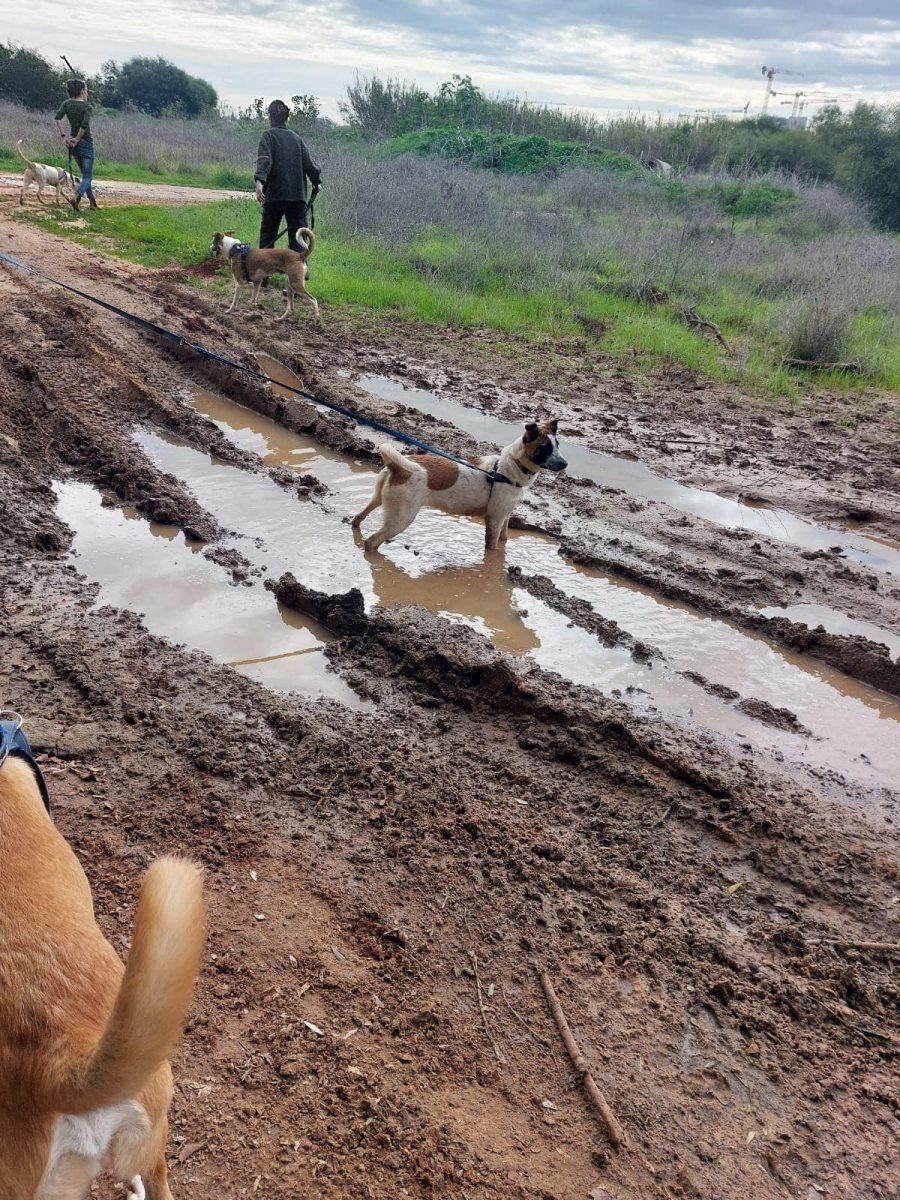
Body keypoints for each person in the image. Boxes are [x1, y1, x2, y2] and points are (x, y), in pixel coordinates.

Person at [254, 100, 321, 255]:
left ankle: (263, 276)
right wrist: (316, 181)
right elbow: (310, 165)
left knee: (267, 237)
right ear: (286, 118)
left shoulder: (268, 136)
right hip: (297, 198)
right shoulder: (297, 139)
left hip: (274, 197)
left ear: (270, 117)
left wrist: (259, 183)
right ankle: (299, 275)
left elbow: (264, 161)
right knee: (298, 240)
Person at [54, 78, 99, 211]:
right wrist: (78, 138)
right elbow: (84, 125)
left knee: (85, 175)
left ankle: (92, 203)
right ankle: (76, 196)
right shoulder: (87, 107)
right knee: (87, 177)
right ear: (82, 91)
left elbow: (57, 118)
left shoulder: (67, 104)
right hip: (85, 143)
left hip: (72, 144)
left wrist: (65, 137)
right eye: (85, 90)